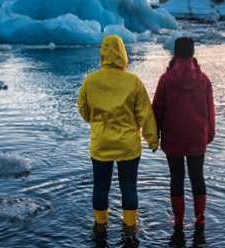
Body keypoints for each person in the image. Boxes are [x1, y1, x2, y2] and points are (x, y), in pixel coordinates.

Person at [78, 35, 159, 245]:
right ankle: (131, 229)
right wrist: (152, 139)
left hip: (101, 144)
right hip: (128, 146)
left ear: (103, 53)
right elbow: (145, 114)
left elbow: (84, 110)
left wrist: (96, 121)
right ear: (123, 53)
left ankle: (100, 226)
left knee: (100, 186)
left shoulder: (90, 81)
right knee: (129, 186)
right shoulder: (133, 82)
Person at [152, 37, 216, 247]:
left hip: (173, 137)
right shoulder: (204, 79)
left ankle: (178, 220)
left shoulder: (166, 79)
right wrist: (210, 134)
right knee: (198, 177)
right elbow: (210, 111)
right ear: (192, 53)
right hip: (197, 136)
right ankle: (200, 218)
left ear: (175, 53)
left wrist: (156, 134)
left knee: (176, 178)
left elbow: (157, 110)